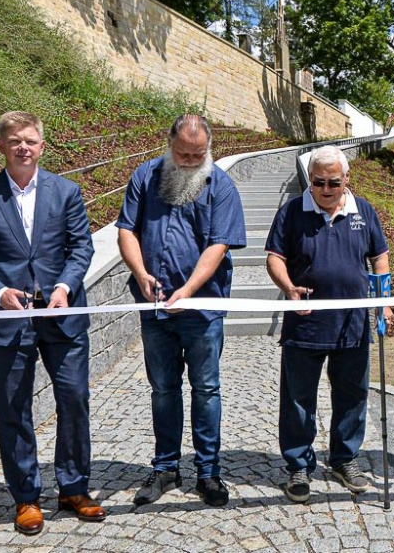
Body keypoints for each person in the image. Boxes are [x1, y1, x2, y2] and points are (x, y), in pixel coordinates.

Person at [0, 111, 102, 535]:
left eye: (31, 140)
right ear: (1, 145)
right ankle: (25, 498)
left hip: (62, 316)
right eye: (15, 140)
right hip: (10, 319)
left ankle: (74, 488)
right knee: (14, 408)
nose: (24, 147)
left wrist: (65, 288)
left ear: (42, 145)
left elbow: (81, 248)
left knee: (74, 399)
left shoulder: (67, 191)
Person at [117, 114, 247, 507]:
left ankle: (208, 472)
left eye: (198, 154)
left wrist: (188, 290)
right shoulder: (145, 177)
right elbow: (127, 229)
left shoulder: (220, 186)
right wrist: (139, 273)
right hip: (155, 306)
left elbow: (218, 245)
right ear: (169, 145)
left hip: (202, 309)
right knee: (163, 389)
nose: (190, 160)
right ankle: (165, 467)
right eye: (183, 153)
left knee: (206, 390)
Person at [265, 145, 391, 503]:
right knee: (298, 400)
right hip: (305, 325)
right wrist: (288, 287)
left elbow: (380, 257)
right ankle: (298, 466)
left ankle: (344, 459)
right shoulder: (292, 211)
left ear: (346, 179)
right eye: (318, 182)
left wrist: (384, 302)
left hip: (352, 325)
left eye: (333, 182)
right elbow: (274, 258)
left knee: (352, 396)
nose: (325, 189)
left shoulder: (363, 210)